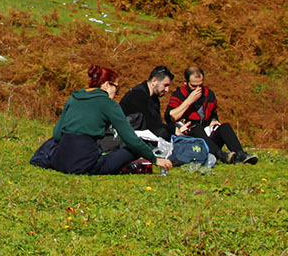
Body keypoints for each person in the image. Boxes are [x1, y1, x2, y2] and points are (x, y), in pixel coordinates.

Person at [34, 66, 174, 175]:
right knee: (136, 148)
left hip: (60, 161)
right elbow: (130, 138)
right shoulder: (108, 104)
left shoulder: (74, 97)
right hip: (86, 164)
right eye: (117, 88)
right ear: (107, 85)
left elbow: (57, 133)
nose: (117, 93)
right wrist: (155, 159)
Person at [166, 65, 259, 165]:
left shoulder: (208, 94)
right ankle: (221, 155)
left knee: (225, 127)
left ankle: (240, 155)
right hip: (191, 140)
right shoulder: (179, 94)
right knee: (195, 126)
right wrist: (189, 101)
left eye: (200, 85)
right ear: (186, 83)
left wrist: (214, 121)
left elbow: (213, 114)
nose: (197, 89)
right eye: (193, 86)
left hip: (208, 136)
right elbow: (170, 116)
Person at [119, 66, 176, 137]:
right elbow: (150, 125)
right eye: (165, 85)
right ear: (154, 81)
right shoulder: (137, 96)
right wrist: (173, 129)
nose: (167, 89)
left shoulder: (154, 99)